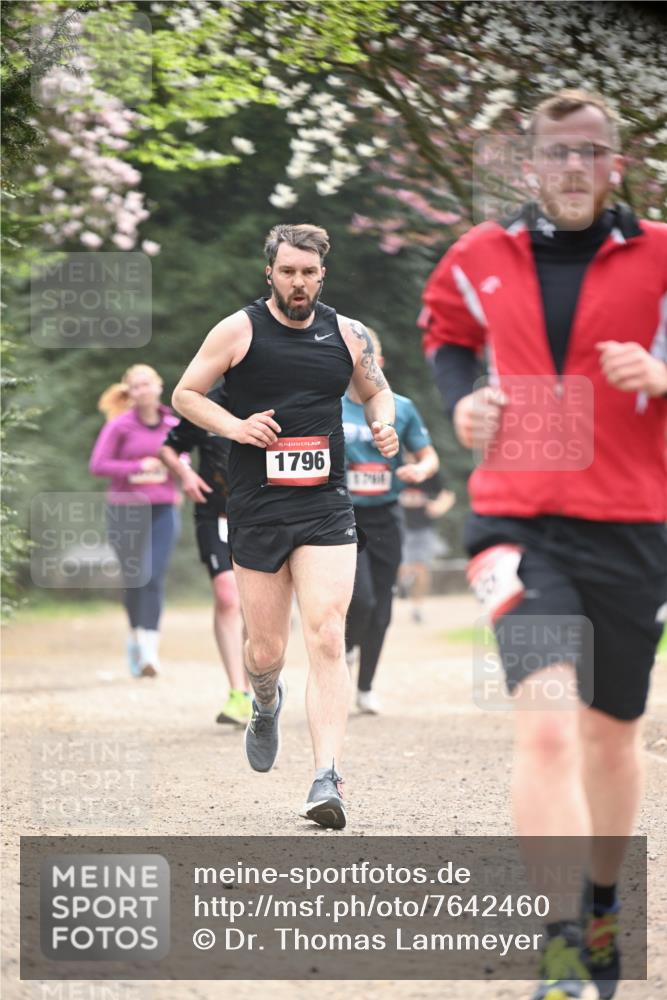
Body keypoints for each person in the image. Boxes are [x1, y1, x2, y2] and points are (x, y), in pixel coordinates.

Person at [422, 89, 667, 1000]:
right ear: (529, 166)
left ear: (615, 165)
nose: (573, 168)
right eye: (556, 153)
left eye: (590, 152)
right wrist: (459, 402)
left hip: (632, 524)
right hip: (513, 525)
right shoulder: (479, 256)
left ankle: (600, 905)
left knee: (613, 738)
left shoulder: (661, 256)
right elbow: (446, 335)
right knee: (550, 725)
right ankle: (561, 949)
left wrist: (660, 372)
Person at [171, 223, 399, 830]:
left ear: (323, 275)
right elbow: (186, 395)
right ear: (269, 272)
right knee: (266, 649)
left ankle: (328, 777)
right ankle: (264, 702)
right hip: (257, 506)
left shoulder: (347, 334)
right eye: (288, 271)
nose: (299, 282)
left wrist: (381, 421)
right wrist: (237, 426)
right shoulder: (238, 330)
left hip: (325, 503)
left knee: (326, 633)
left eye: (309, 273)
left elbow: (377, 391)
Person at [343, 328, 439, 713]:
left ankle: (366, 688)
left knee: (382, 606)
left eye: (369, 362)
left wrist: (421, 471)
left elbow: (429, 456)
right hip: (343, 515)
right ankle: (346, 647)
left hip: (386, 514)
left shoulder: (403, 406)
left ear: (378, 365)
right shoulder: (330, 405)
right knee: (361, 597)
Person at [159, 382, 250, 726]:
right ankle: (238, 693)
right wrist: (186, 474)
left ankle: (262, 681)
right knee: (228, 597)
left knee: (259, 603)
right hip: (216, 516)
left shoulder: (275, 394)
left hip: (262, 518)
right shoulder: (206, 406)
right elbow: (169, 448)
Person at [89, 364, 181, 678]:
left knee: (153, 576)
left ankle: (149, 652)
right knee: (134, 579)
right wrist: (135, 466)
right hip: (125, 509)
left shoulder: (172, 423)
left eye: (147, 384)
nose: (142, 390)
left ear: (158, 386)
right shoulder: (119, 426)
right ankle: (136, 638)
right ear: (130, 392)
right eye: (136, 386)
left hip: (162, 510)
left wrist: (177, 466)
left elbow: (183, 460)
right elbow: (98, 464)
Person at [397, 466, 456, 623]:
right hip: (400, 527)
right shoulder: (395, 466)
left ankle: (417, 607)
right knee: (403, 566)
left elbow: (448, 493)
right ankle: (405, 581)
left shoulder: (428, 471)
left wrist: (438, 507)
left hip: (423, 528)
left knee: (422, 568)